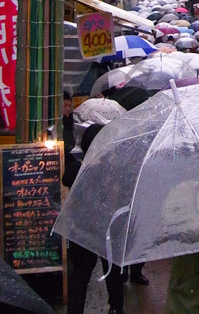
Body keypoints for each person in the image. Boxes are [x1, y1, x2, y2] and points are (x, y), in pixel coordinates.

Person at [63, 124, 126, 314]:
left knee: (80, 277)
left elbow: (66, 192)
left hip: (80, 231)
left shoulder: (75, 169)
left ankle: (75, 310)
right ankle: (116, 308)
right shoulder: (112, 168)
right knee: (113, 272)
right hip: (107, 229)